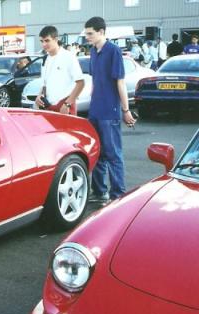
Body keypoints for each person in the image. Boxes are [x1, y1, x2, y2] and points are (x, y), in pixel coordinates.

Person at [84, 16, 136, 204]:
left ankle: (118, 196)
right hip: (95, 111)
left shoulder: (113, 51)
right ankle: (99, 192)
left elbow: (120, 83)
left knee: (113, 155)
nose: (87, 37)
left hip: (109, 111)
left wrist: (126, 110)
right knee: (98, 153)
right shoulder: (93, 51)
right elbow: (95, 81)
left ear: (101, 32)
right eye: (86, 33)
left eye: (90, 33)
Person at [35, 26, 85, 116]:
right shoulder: (46, 59)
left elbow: (81, 83)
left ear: (56, 39)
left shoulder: (68, 57)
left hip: (65, 106)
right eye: (41, 41)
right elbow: (44, 83)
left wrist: (67, 104)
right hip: (49, 107)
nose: (43, 44)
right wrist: (39, 95)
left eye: (47, 40)